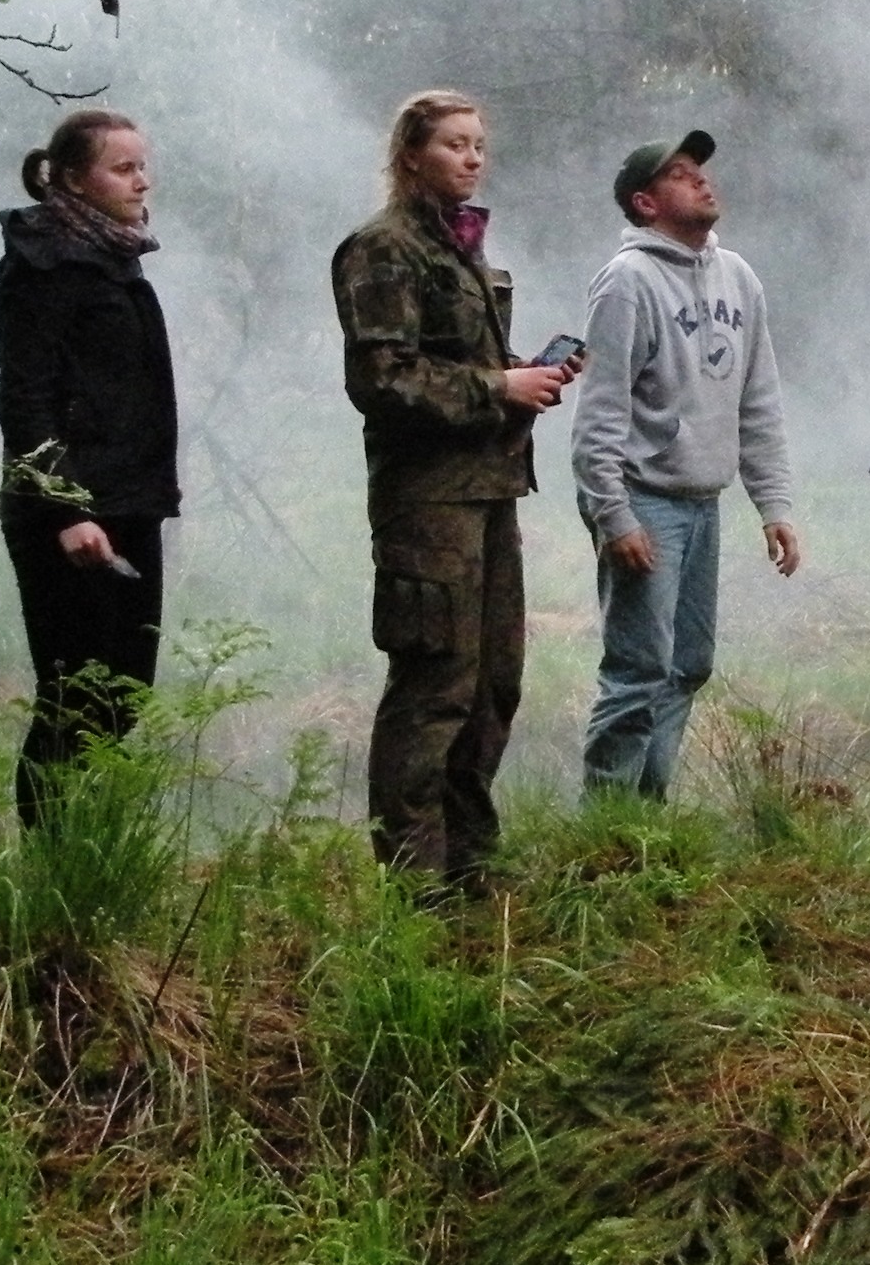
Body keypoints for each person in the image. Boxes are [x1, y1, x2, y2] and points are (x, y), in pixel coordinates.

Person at [331, 91, 582, 886]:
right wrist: (499, 386)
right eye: (454, 144)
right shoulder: (382, 248)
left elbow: (460, 366)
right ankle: (414, 881)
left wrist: (525, 380)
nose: (472, 158)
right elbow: (383, 378)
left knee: (493, 684)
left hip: (490, 487)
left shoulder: (462, 245)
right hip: (427, 499)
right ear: (412, 154)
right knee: (435, 684)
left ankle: (471, 865)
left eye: (479, 144)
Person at [571, 129, 803, 801]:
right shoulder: (627, 282)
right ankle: (605, 825)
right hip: (644, 499)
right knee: (639, 669)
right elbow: (601, 409)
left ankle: (646, 812)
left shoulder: (739, 277)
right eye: (679, 174)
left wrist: (774, 504)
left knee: (688, 665)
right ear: (645, 203)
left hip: (704, 500)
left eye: (700, 169)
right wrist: (614, 515)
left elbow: (758, 399)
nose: (701, 179)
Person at [0, 108, 178, 826]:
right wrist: (65, 510)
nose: (141, 181)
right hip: (71, 520)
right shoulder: (42, 267)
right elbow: (26, 398)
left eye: (142, 166)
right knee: (75, 695)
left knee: (123, 695)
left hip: (129, 505)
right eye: (122, 168)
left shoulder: (114, 258)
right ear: (73, 179)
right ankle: (50, 856)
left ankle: (85, 845)